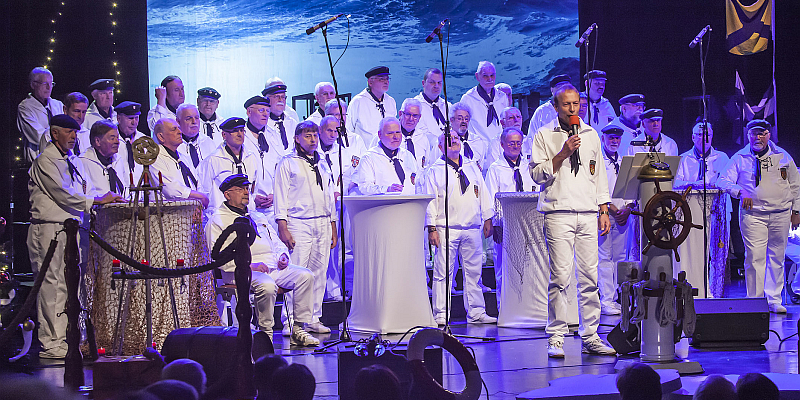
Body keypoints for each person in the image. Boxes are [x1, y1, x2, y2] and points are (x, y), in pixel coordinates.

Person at [528, 84, 615, 358]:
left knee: (590, 277)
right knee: (561, 277)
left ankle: (591, 335)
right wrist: (563, 153)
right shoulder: (544, 135)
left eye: (577, 103)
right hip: (559, 212)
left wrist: (603, 209)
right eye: (567, 104)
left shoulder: (590, 134)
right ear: (556, 107)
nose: (573, 109)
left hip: (588, 212)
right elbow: (537, 175)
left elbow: (598, 174)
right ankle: (556, 336)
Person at [27, 115, 122, 358]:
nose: (73, 137)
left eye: (75, 133)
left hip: (71, 228)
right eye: (68, 132)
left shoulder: (71, 160)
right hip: (49, 228)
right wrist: (97, 200)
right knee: (52, 286)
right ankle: (51, 342)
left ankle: (70, 338)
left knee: (70, 285)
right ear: (55, 133)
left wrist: (102, 199)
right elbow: (63, 194)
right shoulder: (45, 161)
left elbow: (84, 188)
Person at [206, 174, 319, 345]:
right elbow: (217, 256)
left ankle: (298, 328)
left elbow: (276, 242)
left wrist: (283, 255)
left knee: (305, 275)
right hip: (239, 271)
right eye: (240, 189)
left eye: (247, 188)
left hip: (271, 267)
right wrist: (248, 265)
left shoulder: (257, 216)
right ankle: (266, 334)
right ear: (227, 194)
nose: (246, 192)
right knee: (267, 284)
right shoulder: (218, 220)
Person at [718, 119, 800, 313]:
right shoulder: (740, 157)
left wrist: (796, 210)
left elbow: (796, 185)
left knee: (777, 257)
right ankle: (754, 301)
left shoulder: (783, 156)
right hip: (753, 215)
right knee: (754, 257)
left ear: (768, 135)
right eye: (754, 134)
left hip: (780, 213)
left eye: (762, 133)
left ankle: (774, 299)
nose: (758, 137)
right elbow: (721, 180)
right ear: (748, 136)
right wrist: (739, 191)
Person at [425, 133, 496, 325]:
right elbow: (431, 200)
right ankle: (440, 314)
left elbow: (483, 193)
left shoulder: (472, 167)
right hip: (446, 227)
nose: (453, 141)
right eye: (447, 140)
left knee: (474, 272)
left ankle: (476, 312)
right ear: (440, 147)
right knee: (443, 272)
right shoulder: (435, 170)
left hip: (472, 226)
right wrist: (431, 227)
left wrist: (488, 216)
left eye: (455, 138)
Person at [274, 121, 338, 334]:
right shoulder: (288, 162)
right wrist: (283, 226)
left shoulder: (322, 162)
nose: (312, 139)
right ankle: (291, 320)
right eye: (308, 135)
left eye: (314, 135)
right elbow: (281, 196)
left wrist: (333, 224)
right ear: (297, 138)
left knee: (319, 271)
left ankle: (313, 317)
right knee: (298, 271)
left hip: (322, 222)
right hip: (299, 221)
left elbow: (329, 195)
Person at [317, 115, 366, 302]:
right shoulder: (315, 153)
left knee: (337, 247)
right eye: (329, 130)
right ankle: (322, 289)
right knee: (323, 248)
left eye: (336, 130)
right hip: (320, 207)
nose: (333, 134)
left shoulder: (342, 151)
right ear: (320, 130)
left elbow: (350, 174)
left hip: (340, 204)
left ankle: (335, 287)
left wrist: (340, 191)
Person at [484, 127, 537, 298]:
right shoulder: (495, 168)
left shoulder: (528, 166)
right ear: (502, 145)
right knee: (503, 267)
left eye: (518, 143)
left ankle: (527, 304)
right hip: (505, 225)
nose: (515, 146)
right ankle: (503, 307)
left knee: (529, 266)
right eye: (511, 143)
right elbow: (491, 197)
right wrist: (494, 223)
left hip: (529, 222)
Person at [598, 124, 633, 315]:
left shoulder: (625, 162)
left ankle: (620, 296)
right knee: (604, 257)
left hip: (622, 215)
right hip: (604, 214)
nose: (614, 141)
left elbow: (632, 188)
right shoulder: (598, 161)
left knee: (620, 258)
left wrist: (627, 208)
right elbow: (594, 188)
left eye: (617, 139)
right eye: (611, 138)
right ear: (603, 139)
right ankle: (606, 299)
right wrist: (611, 208)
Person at [199, 117, 264, 213]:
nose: (239, 134)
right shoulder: (213, 159)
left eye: (241, 130)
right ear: (224, 135)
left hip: (247, 213)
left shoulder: (251, 157)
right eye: (234, 131)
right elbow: (204, 191)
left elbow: (254, 187)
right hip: (222, 215)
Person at [149, 118, 209, 207]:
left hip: (190, 212)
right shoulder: (154, 158)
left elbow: (197, 183)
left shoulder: (183, 157)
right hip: (167, 214)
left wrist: (198, 204)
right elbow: (171, 190)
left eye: (179, 128)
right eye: (174, 129)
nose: (180, 132)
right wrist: (201, 197)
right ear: (161, 137)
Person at [352, 116, 419, 195]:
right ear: (380, 135)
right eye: (390, 133)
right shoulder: (369, 157)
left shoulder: (407, 155)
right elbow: (364, 187)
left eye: (398, 132)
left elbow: (416, 183)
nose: (396, 137)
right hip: (384, 206)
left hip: (409, 205)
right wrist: (386, 189)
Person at [242, 95, 282, 222]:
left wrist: (274, 194)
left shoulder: (274, 135)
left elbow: (281, 166)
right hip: (250, 203)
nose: (266, 114)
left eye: (268, 111)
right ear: (249, 112)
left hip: (272, 203)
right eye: (261, 110)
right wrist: (252, 196)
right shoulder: (240, 135)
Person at [18, 67, 64, 162]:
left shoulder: (58, 104)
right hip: (39, 161)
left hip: (60, 160)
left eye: (51, 84)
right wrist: (63, 138)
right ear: (33, 85)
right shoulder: (25, 107)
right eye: (44, 84)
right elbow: (38, 136)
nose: (49, 87)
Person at [460, 61, 509, 147]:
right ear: (477, 76)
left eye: (492, 75)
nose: (489, 79)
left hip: (499, 146)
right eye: (485, 76)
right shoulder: (468, 99)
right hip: (478, 146)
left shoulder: (502, 97)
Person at [346, 66, 398, 146]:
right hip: (364, 152)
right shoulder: (358, 102)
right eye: (381, 79)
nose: (386, 82)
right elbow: (349, 131)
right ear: (370, 82)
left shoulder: (391, 101)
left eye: (387, 79)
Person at [674, 121, 730, 189]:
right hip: (690, 198)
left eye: (708, 135)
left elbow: (729, 181)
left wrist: (715, 185)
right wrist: (692, 185)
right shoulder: (683, 159)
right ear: (693, 137)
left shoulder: (722, 158)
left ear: (712, 137)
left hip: (716, 198)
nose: (705, 138)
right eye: (700, 135)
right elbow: (675, 182)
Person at [78, 120, 127, 197]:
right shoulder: (83, 162)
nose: (117, 142)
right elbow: (85, 195)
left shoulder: (118, 159)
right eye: (112, 138)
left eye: (117, 137)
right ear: (98, 141)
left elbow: (125, 187)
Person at [414, 68, 451, 150]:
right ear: (423, 83)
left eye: (439, 83)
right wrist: (442, 143)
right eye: (432, 82)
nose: (436, 86)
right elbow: (421, 133)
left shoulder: (448, 106)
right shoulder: (415, 106)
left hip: (448, 152)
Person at [175, 104, 217, 170]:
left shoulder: (208, 143)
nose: (194, 122)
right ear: (178, 121)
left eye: (197, 118)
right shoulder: (174, 145)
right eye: (188, 119)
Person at [115, 101, 147, 186]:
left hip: (140, 196)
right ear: (118, 118)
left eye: (136, 118)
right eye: (130, 118)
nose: (134, 123)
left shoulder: (144, 140)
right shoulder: (111, 140)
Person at [263, 83, 299, 157]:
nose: (281, 100)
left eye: (283, 97)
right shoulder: (262, 124)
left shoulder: (292, 122)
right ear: (267, 99)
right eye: (277, 97)